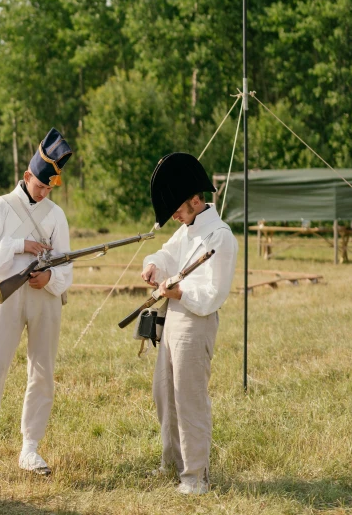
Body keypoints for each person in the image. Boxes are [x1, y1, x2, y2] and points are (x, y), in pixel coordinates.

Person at [0, 128, 73, 480]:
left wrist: (49, 279)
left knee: (42, 374)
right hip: (6, 295)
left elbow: (65, 264)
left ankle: (30, 448)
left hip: (45, 300)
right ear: (27, 176)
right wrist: (19, 245)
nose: (45, 191)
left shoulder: (56, 215)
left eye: (49, 187)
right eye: (40, 185)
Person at [141, 152, 238, 495]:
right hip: (173, 317)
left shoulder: (220, 237)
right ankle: (173, 463)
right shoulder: (188, 228)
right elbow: (167, 254)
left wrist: (179, 290)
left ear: (196, 200)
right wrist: (154, 265)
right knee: (164, 393)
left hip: (195, 320)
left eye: (180, 210)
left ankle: (195, 476)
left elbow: (214, 292)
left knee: (189, 398)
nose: (177, 218)